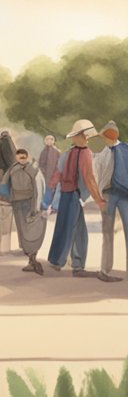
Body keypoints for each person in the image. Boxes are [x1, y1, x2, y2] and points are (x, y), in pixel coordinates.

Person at [47, 119, 109, 278]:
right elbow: (89, 179)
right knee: (78, 232)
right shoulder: (85, 153)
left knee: (66, 227)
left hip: (66, 194)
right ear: (85, 135)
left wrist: (50, 193)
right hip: (75, 194)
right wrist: (99, 200)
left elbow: (57, 175)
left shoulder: (68, 153)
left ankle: (57, 260)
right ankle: (77, 266)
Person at [3, 148, 46, 275]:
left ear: (26, 157)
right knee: (22, 231)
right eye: (19, 157)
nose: (22, 159)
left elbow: (39, 187)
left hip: (29, 202)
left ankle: (33, 258)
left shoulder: (33, 170)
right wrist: (7, 197)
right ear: (16, 158)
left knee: (31, 231)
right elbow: (3, 184)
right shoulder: (12, 169)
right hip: (17, 202)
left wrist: (36, 206)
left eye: (23, 157)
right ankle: (30, 259)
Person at [97, 121, 127, 282]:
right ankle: (105, 270)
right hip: (112, 194)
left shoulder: (123, 149)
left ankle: (106, 270)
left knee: (112, 232)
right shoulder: (105, 152)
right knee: (107, 232)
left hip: (120, 195)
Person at [37, 134, 61, 212]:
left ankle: (49, 205)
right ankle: (45, 205)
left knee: (51, 189)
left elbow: (59, 164)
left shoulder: (57, 151)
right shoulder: (43, 151)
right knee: (45, 189)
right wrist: (42, 171)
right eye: (47, 139)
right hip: (45, 174)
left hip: (54, 174)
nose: (49, 141)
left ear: (54, 141)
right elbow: (41, 162)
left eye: (51, 139)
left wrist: (56, 174)